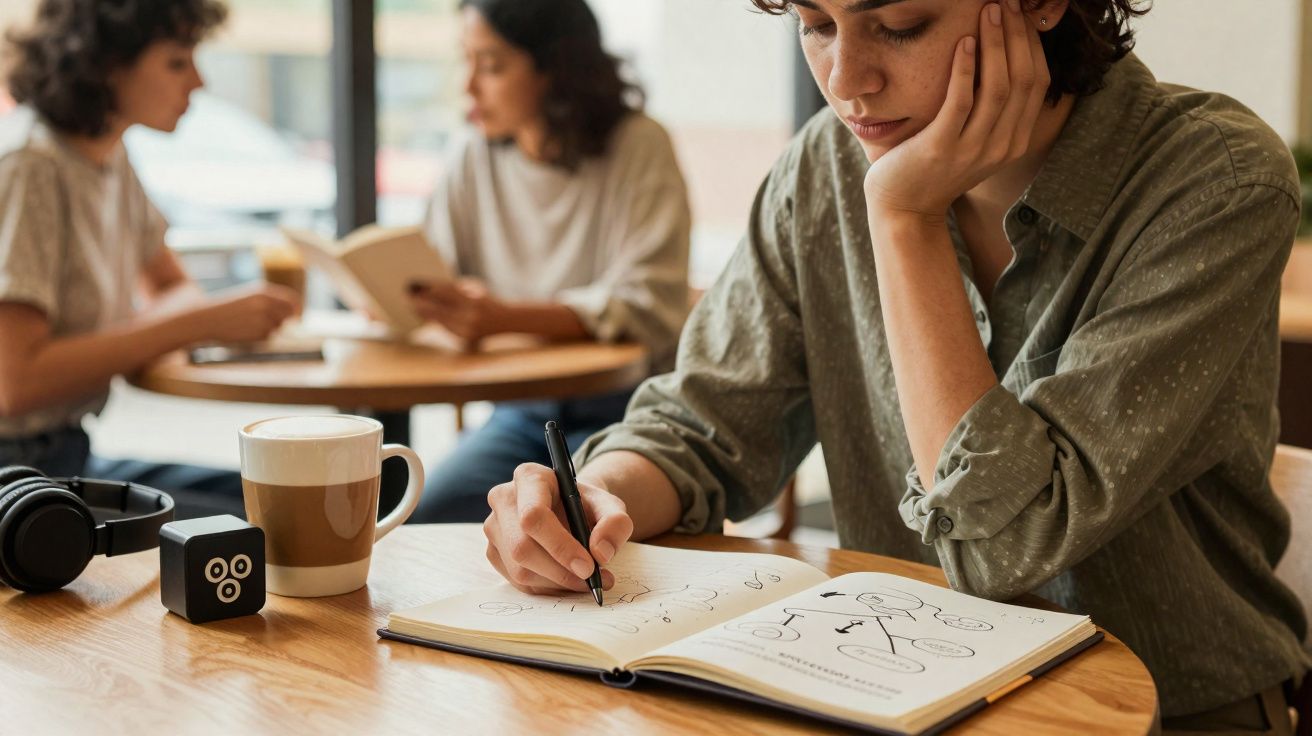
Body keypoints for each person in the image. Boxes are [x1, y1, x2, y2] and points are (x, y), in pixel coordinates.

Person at [478, 0, 1310, 731]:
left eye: (900, 26)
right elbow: (702, 425)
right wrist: (593, 499)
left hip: (1174, 711)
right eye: (815, 24)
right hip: (889, 692)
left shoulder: (1217, 180)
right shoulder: (825, 167)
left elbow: (1007, 541)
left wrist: (905, 217)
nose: (846, 82)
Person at [0, 0, 297, 519]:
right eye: (177, 62)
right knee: (268, 521)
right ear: (107, 65)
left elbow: (170, 286)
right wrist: (197, 323)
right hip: (16, 476)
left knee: (282, 496)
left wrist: (183, 320)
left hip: (65, 453)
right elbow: (16, 382)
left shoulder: (108, 157)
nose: (198, 82)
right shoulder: (31, 165)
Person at [407, 0, 691, 523]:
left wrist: (503, 319)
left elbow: (648, 304)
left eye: (491, 66)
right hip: (521, 411)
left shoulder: (637, 145)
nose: (469, 86)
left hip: (628, 409)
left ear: (554, 71)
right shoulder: (473, 154)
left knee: (583, 524)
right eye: (465, 62)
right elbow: (436, 272)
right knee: (423, 517)